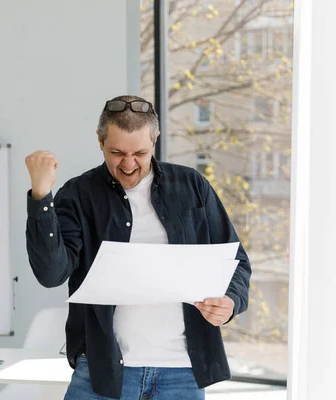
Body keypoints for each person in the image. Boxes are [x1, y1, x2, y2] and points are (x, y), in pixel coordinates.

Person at [24, 95, 251, 399]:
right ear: (100, 140)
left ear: (155, 139)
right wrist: (41, 197)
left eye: (140, 152)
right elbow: (52, 274)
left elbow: (236, 262)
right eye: (116, 152)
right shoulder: (79, 194)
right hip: (103, 370)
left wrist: (230, 302)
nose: (129, 165)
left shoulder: (192, 186)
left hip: (182, 373)